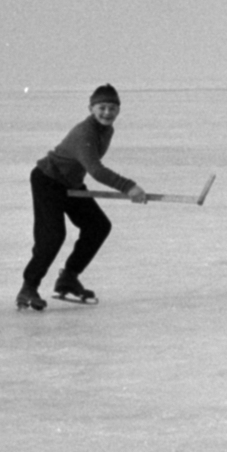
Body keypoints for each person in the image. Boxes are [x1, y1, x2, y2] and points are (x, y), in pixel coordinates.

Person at [17, 84, 146, 310]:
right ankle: (28, 287)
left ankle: (68, 277)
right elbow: (96, 170)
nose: (107, 113)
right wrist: (129, 187)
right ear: (91, 108)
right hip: (48, 180)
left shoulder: (106, 130)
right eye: (102, 107)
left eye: (112, 108)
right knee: (53, 236)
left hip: (70, 183)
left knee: (98, 226)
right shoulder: (85, 132)